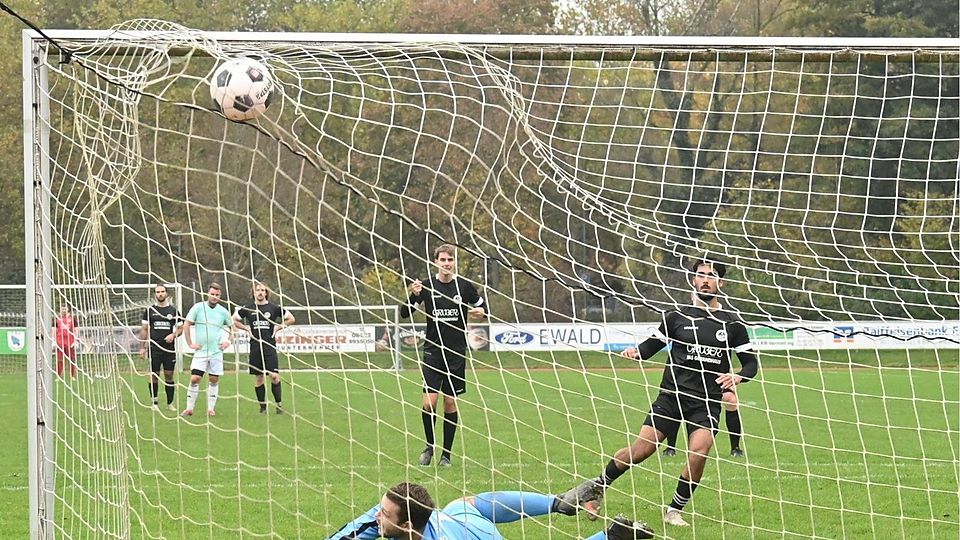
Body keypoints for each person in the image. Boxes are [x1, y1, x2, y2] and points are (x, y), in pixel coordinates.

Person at [559, 259, 759, 528]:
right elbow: (650, 347)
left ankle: (673, 510)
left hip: (706, 402)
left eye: (711, 276)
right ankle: (595, 489)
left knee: (699, 452)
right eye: (700, 275)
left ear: (720, 283)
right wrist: (635, 352)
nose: (705, 280)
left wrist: (738, 375)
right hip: (671, 397)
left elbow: (751, 364)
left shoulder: (732, 324)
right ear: (693, 280)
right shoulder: (676, 317)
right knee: (641, 450)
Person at [327, 481, 654, 540]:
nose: (376, 516)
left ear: (409, 524)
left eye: (384, 514)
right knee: (467, 501)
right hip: (462, 514)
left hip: (481, 535)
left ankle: (607, 537)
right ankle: (556, 503)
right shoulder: (393, 513)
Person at [400, 244, 486, 467]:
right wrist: (413, 295)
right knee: (429, 403)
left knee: (449, 404)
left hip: (456, 354)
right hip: (432, 352)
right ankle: (430, 446)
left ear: (454, 262)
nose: (446, 263)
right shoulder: (427, 286)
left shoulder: (464, 286)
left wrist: (481, 311)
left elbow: (482, 307)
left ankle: (446, 455)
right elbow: (404, 313)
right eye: (443, 260)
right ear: (435, 262)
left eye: (450, 259)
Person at [233, 281, 295, 414]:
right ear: (254, 293)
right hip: (255, 346)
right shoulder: (248, 308)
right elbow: (234, 319)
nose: (260, 292)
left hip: (269, 346)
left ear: (266, 293)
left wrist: (278, 327)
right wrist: (246, 328)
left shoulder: (273, 308)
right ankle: (262, 407)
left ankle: (279, 405)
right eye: (258, 290)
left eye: (263, 290)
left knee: (274, 376)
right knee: (259, 377)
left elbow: (291, 318)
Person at [181, 282, 234, 417]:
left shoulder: (223, 311)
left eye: (217, 295)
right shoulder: (198, 308)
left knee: (213, 379)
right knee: (195, 378)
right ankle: (189, 409)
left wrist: (228, 341)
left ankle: (211, 409)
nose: (214, 297)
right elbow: (186, 324)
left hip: (216, 352)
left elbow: (233, 328)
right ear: (207, 294)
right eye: (212, 294)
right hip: (201, 352)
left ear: (220, 296)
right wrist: (190, 343)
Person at [140, 284, 183, 411]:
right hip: (154, 348)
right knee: (154, 374)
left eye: (162, 291)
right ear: (155, 294)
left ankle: (170, 404)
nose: (160, 294)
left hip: (169, 349)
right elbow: (144, 329)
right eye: (158, 292)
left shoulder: (173, 311)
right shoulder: (149, 311)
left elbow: (180, 329)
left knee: (169, 375)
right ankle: (154, 403)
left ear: (166, 294)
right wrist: (142, 347)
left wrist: (173, 335)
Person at [54, 303, 79, 377]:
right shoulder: (57, 318)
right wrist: (53, 340)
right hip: (60, 341)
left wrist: (76, 340)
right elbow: (54, 329)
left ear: (68, 309)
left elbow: (76, 329)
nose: (64, 310)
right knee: (59, 358)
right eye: (62, 309)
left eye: (65, 309)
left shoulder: (72, 318)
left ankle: (72, 375)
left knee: (72, 358)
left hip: (69, 341)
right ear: (60, 310)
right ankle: (59, 375)